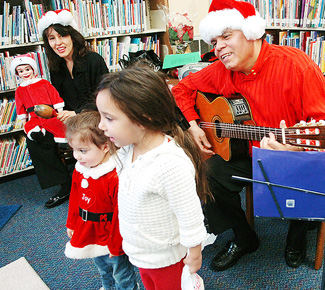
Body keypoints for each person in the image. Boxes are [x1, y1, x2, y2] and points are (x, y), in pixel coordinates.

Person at [171, 0, 325, 270]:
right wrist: (193, 125)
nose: (217, 47)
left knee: (302, 174)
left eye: (226, 36)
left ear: (251, 32)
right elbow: (181, 89)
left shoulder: (296, 66)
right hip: (245, 153)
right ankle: (244, 236)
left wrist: (295, 149)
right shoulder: (221, 70)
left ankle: (298, 231)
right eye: (214, 41)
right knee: (208, 174)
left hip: (289, 155)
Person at [96, 67, 210, 290]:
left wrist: (195, 253)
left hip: (165, 259)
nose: (101, 125)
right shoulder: (129, 149)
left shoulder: (169, 163)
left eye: (108, 118)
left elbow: (190, 214)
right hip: (142, 254)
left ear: (143, 118)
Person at [32, 9, 109, 208]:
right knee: (36, 136)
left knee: (86, 131)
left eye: (62, 35)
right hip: (67, 117)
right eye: (51, 38)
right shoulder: (55, 67)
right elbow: (57, 99)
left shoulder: (94, 60)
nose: (58, 43)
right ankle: (65, 184)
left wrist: (78, 113)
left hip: (95, 114)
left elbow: (106, 96)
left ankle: (91, 178)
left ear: (72, 36)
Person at [64, 111, 138, 290]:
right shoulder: (81, 169)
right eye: (74, 150)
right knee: (102, 267)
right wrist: (72, 223)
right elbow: (75, 197)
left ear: (105, 147)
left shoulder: (114, 176)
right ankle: (108, 287)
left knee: (120, 271)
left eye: (82, 151)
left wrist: (115, 245)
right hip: (90, 230)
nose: (77, 156)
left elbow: (120, 214)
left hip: (111, 234)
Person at [11, 54, 67, 145]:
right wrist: (24, 122)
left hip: (49, 113)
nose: (25, 73)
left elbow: (54, 96)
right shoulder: (19, 90)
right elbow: (20, 106)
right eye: (20, 71)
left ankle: (62, 141)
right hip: (33, 116)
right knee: (30, 126)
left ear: (33, 69)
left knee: (58, 124)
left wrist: (60, 110)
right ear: (17, 74)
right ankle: (36, 134)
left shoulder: (44, 83)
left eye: (27, 69)